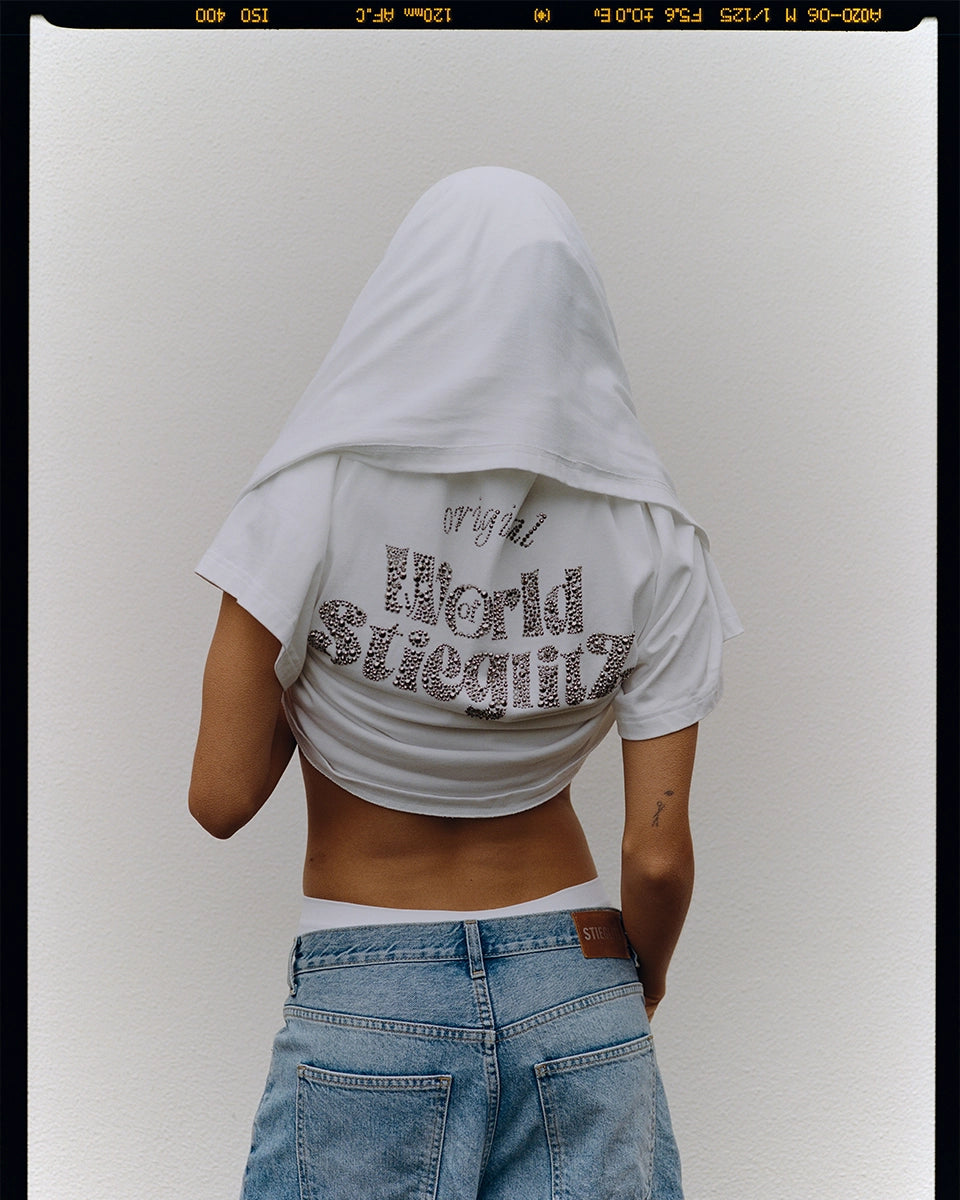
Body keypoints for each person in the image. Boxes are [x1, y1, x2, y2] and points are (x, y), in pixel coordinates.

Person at [189, 166, 741, 1200]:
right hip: (581, 982)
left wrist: (337, 665)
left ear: (404, 298)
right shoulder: (655, 534)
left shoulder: (311, 492)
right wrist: (640, 985)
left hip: (370, 983)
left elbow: (221, 798)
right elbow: (657, 856)